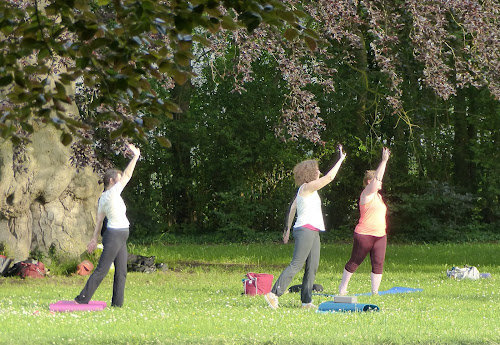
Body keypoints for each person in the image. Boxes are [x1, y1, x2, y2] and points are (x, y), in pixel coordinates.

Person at [265, 145, 346, 309]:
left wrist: (287, 229)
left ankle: (306, 301)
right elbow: (329, 178)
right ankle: (273, 294)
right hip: (305, 229)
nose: (319, 172)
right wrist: (341, 160)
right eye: (317, 170)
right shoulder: (307, 187)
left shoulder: (307, 191)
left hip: (313, 230)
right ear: (311, 173)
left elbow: (293, 208)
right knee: (296, 264)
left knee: (312, 266)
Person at [75, 143, 141, 307]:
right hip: (115, 235)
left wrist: (93, 239)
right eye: (118, 179)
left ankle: (117, 304)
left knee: (122, 271)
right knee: (102, 270)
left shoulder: (104, 197)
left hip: (119, 235)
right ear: (112, 181)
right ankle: (82, 299)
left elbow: (99, 221)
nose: (121, 181)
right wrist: (135, 156)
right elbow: (127, 174)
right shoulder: (111, 193)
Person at [338, 147, 390, 296]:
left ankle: (375, 292)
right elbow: (378, 179)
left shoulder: (379, 197)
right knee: (355, 262)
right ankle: (343, 289)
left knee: (378, 264)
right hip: (364, 235)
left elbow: (379, 180)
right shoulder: (366, 194)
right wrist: (384, 161)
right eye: (377, 181)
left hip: (380, 235)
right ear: (369, 181)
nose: (381, 183)